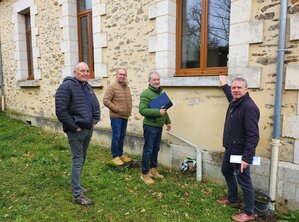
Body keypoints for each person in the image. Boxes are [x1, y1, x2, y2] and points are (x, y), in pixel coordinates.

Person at [55, 62, 100, 206]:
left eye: (87, 70)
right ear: (75, 72)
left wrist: (95, 120)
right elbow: (61, 111)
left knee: (82, 158)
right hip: (76, 131)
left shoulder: (87, 87)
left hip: (88, 129)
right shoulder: (66, 87)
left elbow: (95, 105)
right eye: (82, 71)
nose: (86, 73)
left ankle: (77, 186)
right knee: (77, 160)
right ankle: (77, 195)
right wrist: (74, 127)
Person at [217, 76, 260, 222]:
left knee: (244, 181)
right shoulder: (235, 101)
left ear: (246, 89)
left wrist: (247, 158)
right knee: (226, 170)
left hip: (240, 152)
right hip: (231, 147)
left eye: (239, 88)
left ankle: (248, 212)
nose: (235, 90)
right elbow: (230, 95)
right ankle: (233, 199)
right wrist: (224, 85)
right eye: (233, 87)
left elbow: (253, 135)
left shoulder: (249, 107)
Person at [139, 71, 171, 185]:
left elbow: (164, 109)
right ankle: (144, 174)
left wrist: (168, 121)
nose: (157, 81)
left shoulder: (160, 92)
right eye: (154, 80)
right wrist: (158, 112)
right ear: (149, 81)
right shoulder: (145, 94)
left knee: (155, 149)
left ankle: (153, 170)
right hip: (150, 126)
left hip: (159, 127)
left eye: (158, 79)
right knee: (148, 150)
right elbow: (142, 110)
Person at [103, 68, 133, 166]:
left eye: (124, 75)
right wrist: (117, 109)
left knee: (122, 136)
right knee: (116, 136)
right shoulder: (112, 87)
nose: (122, 76)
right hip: (116, 116)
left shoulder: (126, 87)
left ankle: (120, 154)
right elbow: (106, 100)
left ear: (126, 76)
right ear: (116, 75)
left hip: (125, 116)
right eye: (120, 74)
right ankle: (115, 156)